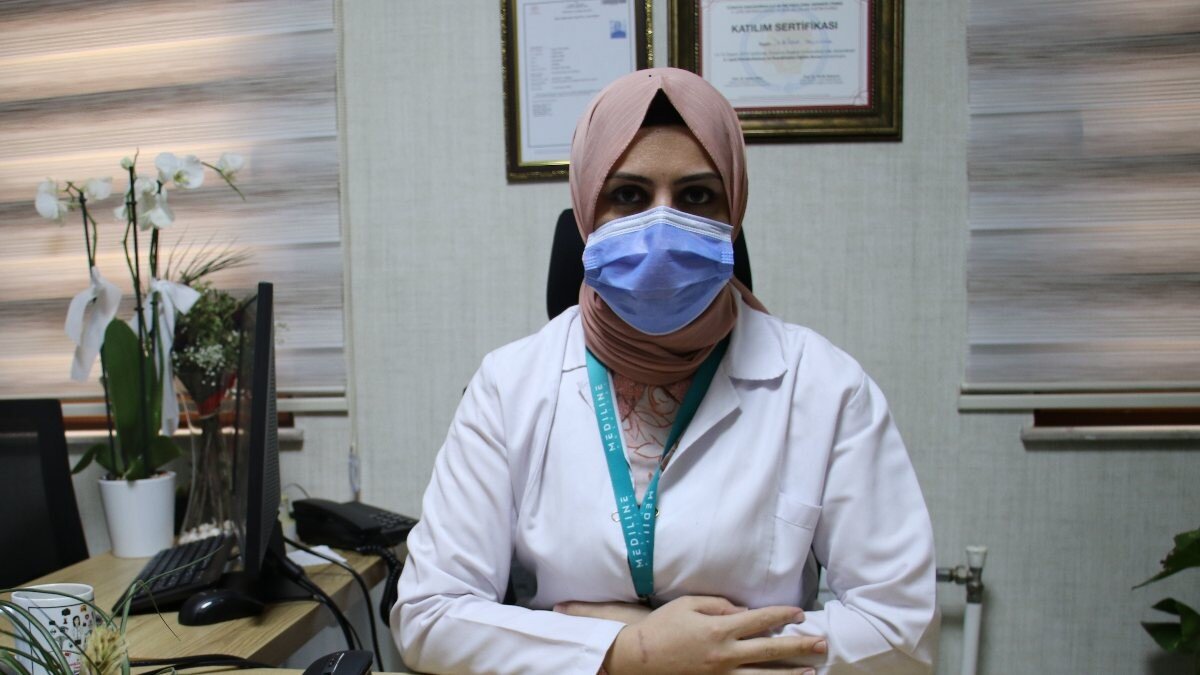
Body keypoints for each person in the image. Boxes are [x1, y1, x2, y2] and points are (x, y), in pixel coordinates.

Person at [393, 68, 938, 674]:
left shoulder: (824, 386)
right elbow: (428, 615)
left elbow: (902, 633)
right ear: (586, 210)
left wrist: (693, 655)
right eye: (628, 195)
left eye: (696, 196)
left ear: (734, 210)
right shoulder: (509, 385)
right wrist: (629, 652)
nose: (662, 225)